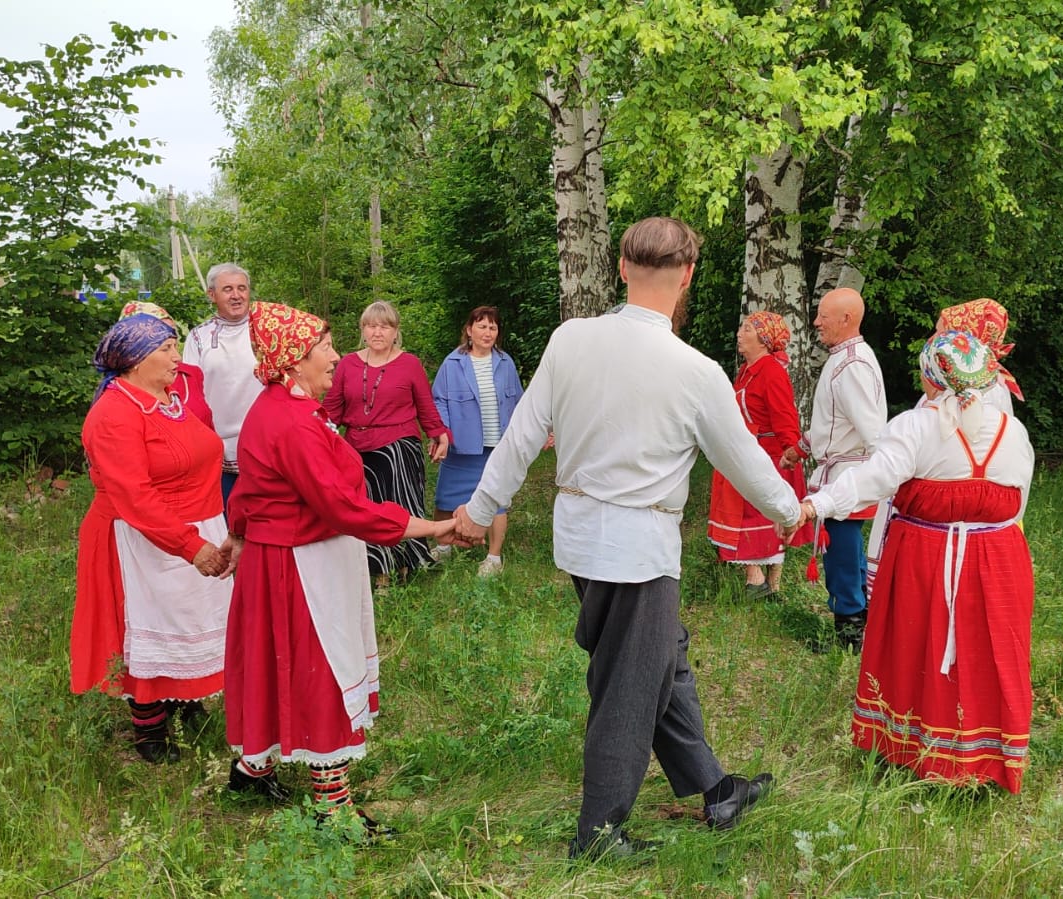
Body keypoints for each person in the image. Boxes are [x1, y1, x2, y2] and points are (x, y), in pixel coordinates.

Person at [455, 217, 796, 859]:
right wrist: (789, 508)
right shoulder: (696, 370)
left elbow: (524, 432)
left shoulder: (570, 340)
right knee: (629, 683)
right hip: (638, 549)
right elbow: (744, 459)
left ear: (619, 267)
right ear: (689, 275)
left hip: (582, 537)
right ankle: (600, 830)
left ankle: (716, 788)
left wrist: (481, 507)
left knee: (662, 658)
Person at [223, 301, 460, 823]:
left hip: (285, 557)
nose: (335, 357)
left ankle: (252, 771)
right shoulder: (294, 423)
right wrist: (431, 527)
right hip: (301, 565)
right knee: (319, 668)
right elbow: (344, 508)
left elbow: (247, 490)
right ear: (292, 361)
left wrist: (239, 536)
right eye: (324, 348)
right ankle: (334, 810)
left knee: (276, 661)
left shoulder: (282, 408)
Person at [789, 330, 1036, 793]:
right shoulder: (1012, 431)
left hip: (926, 557)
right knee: (988, 651)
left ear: (930, 377)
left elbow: (870, 479)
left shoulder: (916, 426)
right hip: (999, 562)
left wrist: (814, 506)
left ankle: (915, 749)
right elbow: (1018, 502)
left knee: (917, 643)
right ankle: (983, 761)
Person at [70, 314, 236, 764]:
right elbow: (134, 495)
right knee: (152, 626)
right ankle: (149, 727)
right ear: (133, 360)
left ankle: (183, 697)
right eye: (166, 349)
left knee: (188, 621)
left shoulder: (165, 398)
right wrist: (189, 545)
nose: (177, 358)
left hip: (194, 525)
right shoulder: (114, 413)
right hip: (143, 536)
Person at [865, 298, 1023, 593]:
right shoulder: (948, 386)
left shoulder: (989, 391)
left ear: (964, 340)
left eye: (940, 331)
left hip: (947, 509)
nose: (933, 338)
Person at [779, 288, 889, 649]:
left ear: (846, 318)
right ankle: (861, 624)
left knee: (842, 558)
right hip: (844, 472)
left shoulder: (851, 365)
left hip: (848, 478)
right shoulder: (846, 358)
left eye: (823, 316)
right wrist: (801, 448)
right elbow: (836, 424)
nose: (816, 322)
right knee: (847, 554)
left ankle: (851, 636)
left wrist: (884, 475)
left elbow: (872, 431)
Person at [323, 301, 451, 584]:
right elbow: (332, 409)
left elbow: (426, 407)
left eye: (384, 326)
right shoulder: (347, 364)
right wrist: (319, 436)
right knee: (367, 510)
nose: (377, 332)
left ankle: (408, 564)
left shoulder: (410, 363)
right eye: (371, 325)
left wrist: (438, 433)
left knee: (401, 504)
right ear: (363, 330)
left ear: (395, 331)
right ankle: (378, 570)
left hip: (399, 445)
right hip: (357, 447)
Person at [705, 311, 809, 596]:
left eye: (748, 329)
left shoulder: (771, 371)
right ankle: (761, 579)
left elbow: (784, 415)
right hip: (749, 449)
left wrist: (790, 452)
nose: (740, 333)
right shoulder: (748, 370)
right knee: (752, 510)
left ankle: (765, 582)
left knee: (761, 512)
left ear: (764, 339)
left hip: (770, 454)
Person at [431, 306, 523, 577]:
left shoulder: (505, 363)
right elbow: (439, 400)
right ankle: (443, 548)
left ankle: (493, 558)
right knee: (445, 498)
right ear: (469, 331)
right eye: (481, 326)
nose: (488, 332)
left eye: (492, 327)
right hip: (462, 445)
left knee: (497, 500)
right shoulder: (452, 363)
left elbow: (519, 400)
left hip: (497, 445)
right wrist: (443, 433)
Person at [183, 263, 264, 504]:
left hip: (268, 445)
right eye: (227, 289)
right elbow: (190, 394)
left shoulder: (268, 330)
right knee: (228, 527)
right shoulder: (198, 337)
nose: (237, 295)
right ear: (212, 295)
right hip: (219, 450)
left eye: (242, 288)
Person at [121, 301, 213, 430]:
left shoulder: (190, 375)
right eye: (165, 347)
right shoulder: (120, 395)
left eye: (174, 344)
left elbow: (207, 425)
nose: (177, 357)